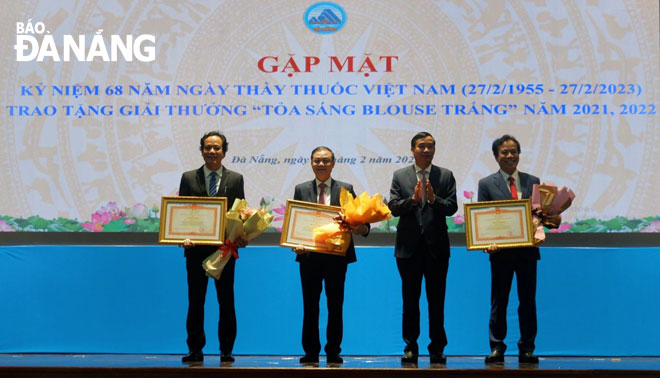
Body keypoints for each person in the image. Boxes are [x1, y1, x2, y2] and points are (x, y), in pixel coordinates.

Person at [293, 146, 369, 365]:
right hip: (309, 257)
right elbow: (296, 222)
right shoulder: (301, 189)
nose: (321, 164)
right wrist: (295, 243)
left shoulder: (346, 189)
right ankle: (311, 352)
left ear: (333, 163)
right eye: (317, 160)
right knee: (310, 306)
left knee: (335, 305)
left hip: (337, 257)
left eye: (326, 160)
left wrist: (359, 228)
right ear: (311, 163)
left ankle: (334, 351)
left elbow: (359, 222)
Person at [387, 132, 457, 365]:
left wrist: (435, 199)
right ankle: (410, 347)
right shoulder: (400, 176)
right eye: (422, 146)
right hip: (408, 249)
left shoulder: (445, 175)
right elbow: (394, 208)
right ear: (412, 149)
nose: (426, 150)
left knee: (437, 300)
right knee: (410, 300)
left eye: (431, 146)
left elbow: (452, 208)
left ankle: (437, 348)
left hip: (437, 249)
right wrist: (413, 200)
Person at [178, 131, 246, 364]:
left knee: (226, 300)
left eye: (217, 148)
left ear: (224, 152)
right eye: (208, 147)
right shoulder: (188, 178)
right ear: (202, 150)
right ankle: (195, 348)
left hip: (224, 251)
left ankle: (226, 349)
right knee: (196, 300)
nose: (212, 151)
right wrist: (181, 236)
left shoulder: (236, 179)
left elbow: (241, 213)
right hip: (195, 250)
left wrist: (241, 235)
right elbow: (183, 213)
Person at [478, 134, 540, 364]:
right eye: (504, 152)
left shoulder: (533, 181)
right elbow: (482, 220)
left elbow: (538, 216)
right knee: (499, 300)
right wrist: (486, 242)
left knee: (528, 301)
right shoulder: (486, 184)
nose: (510, 156)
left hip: (527, 252)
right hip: (500, 253)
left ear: (519, 155)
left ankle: (527, 348)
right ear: (496, 156)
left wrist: (540, 230)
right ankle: (497, 347)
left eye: (514, 151)